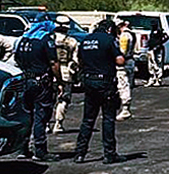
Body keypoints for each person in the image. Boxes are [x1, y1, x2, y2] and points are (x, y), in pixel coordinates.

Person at [72, 18, 126, 163]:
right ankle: (109, 154)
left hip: (89, 82)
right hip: (105, 83)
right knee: (108, 119)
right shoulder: (109, 40)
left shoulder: (85, 40)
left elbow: (80, 60)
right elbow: (120, 61)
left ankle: (80, 153)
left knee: (88, 120)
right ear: (110, 29)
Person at [12, 22, 59, 161]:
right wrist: (59, 80)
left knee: (26, 115)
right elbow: (53, 62)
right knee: (41, 116)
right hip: (41, 82)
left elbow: (16, 58)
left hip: (25, 80)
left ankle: (22, 148)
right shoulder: (45, 39)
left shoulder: (22, 39)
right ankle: (40, 150)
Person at [50, 17, 81, 134]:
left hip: (50, 71)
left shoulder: (49, 40)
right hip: (66, 72)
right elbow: (75, 60)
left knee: (49, 99)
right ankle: (58, 124)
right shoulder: (72, 41)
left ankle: (46, 123)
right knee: (63, 99)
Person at [114, 18, 136, 120]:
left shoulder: (124, 36)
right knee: (128, 85)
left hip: (124, 63)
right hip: (131, 61)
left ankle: (125, 109)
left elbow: (122, 51)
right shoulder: (132, 34)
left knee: (123, 85)